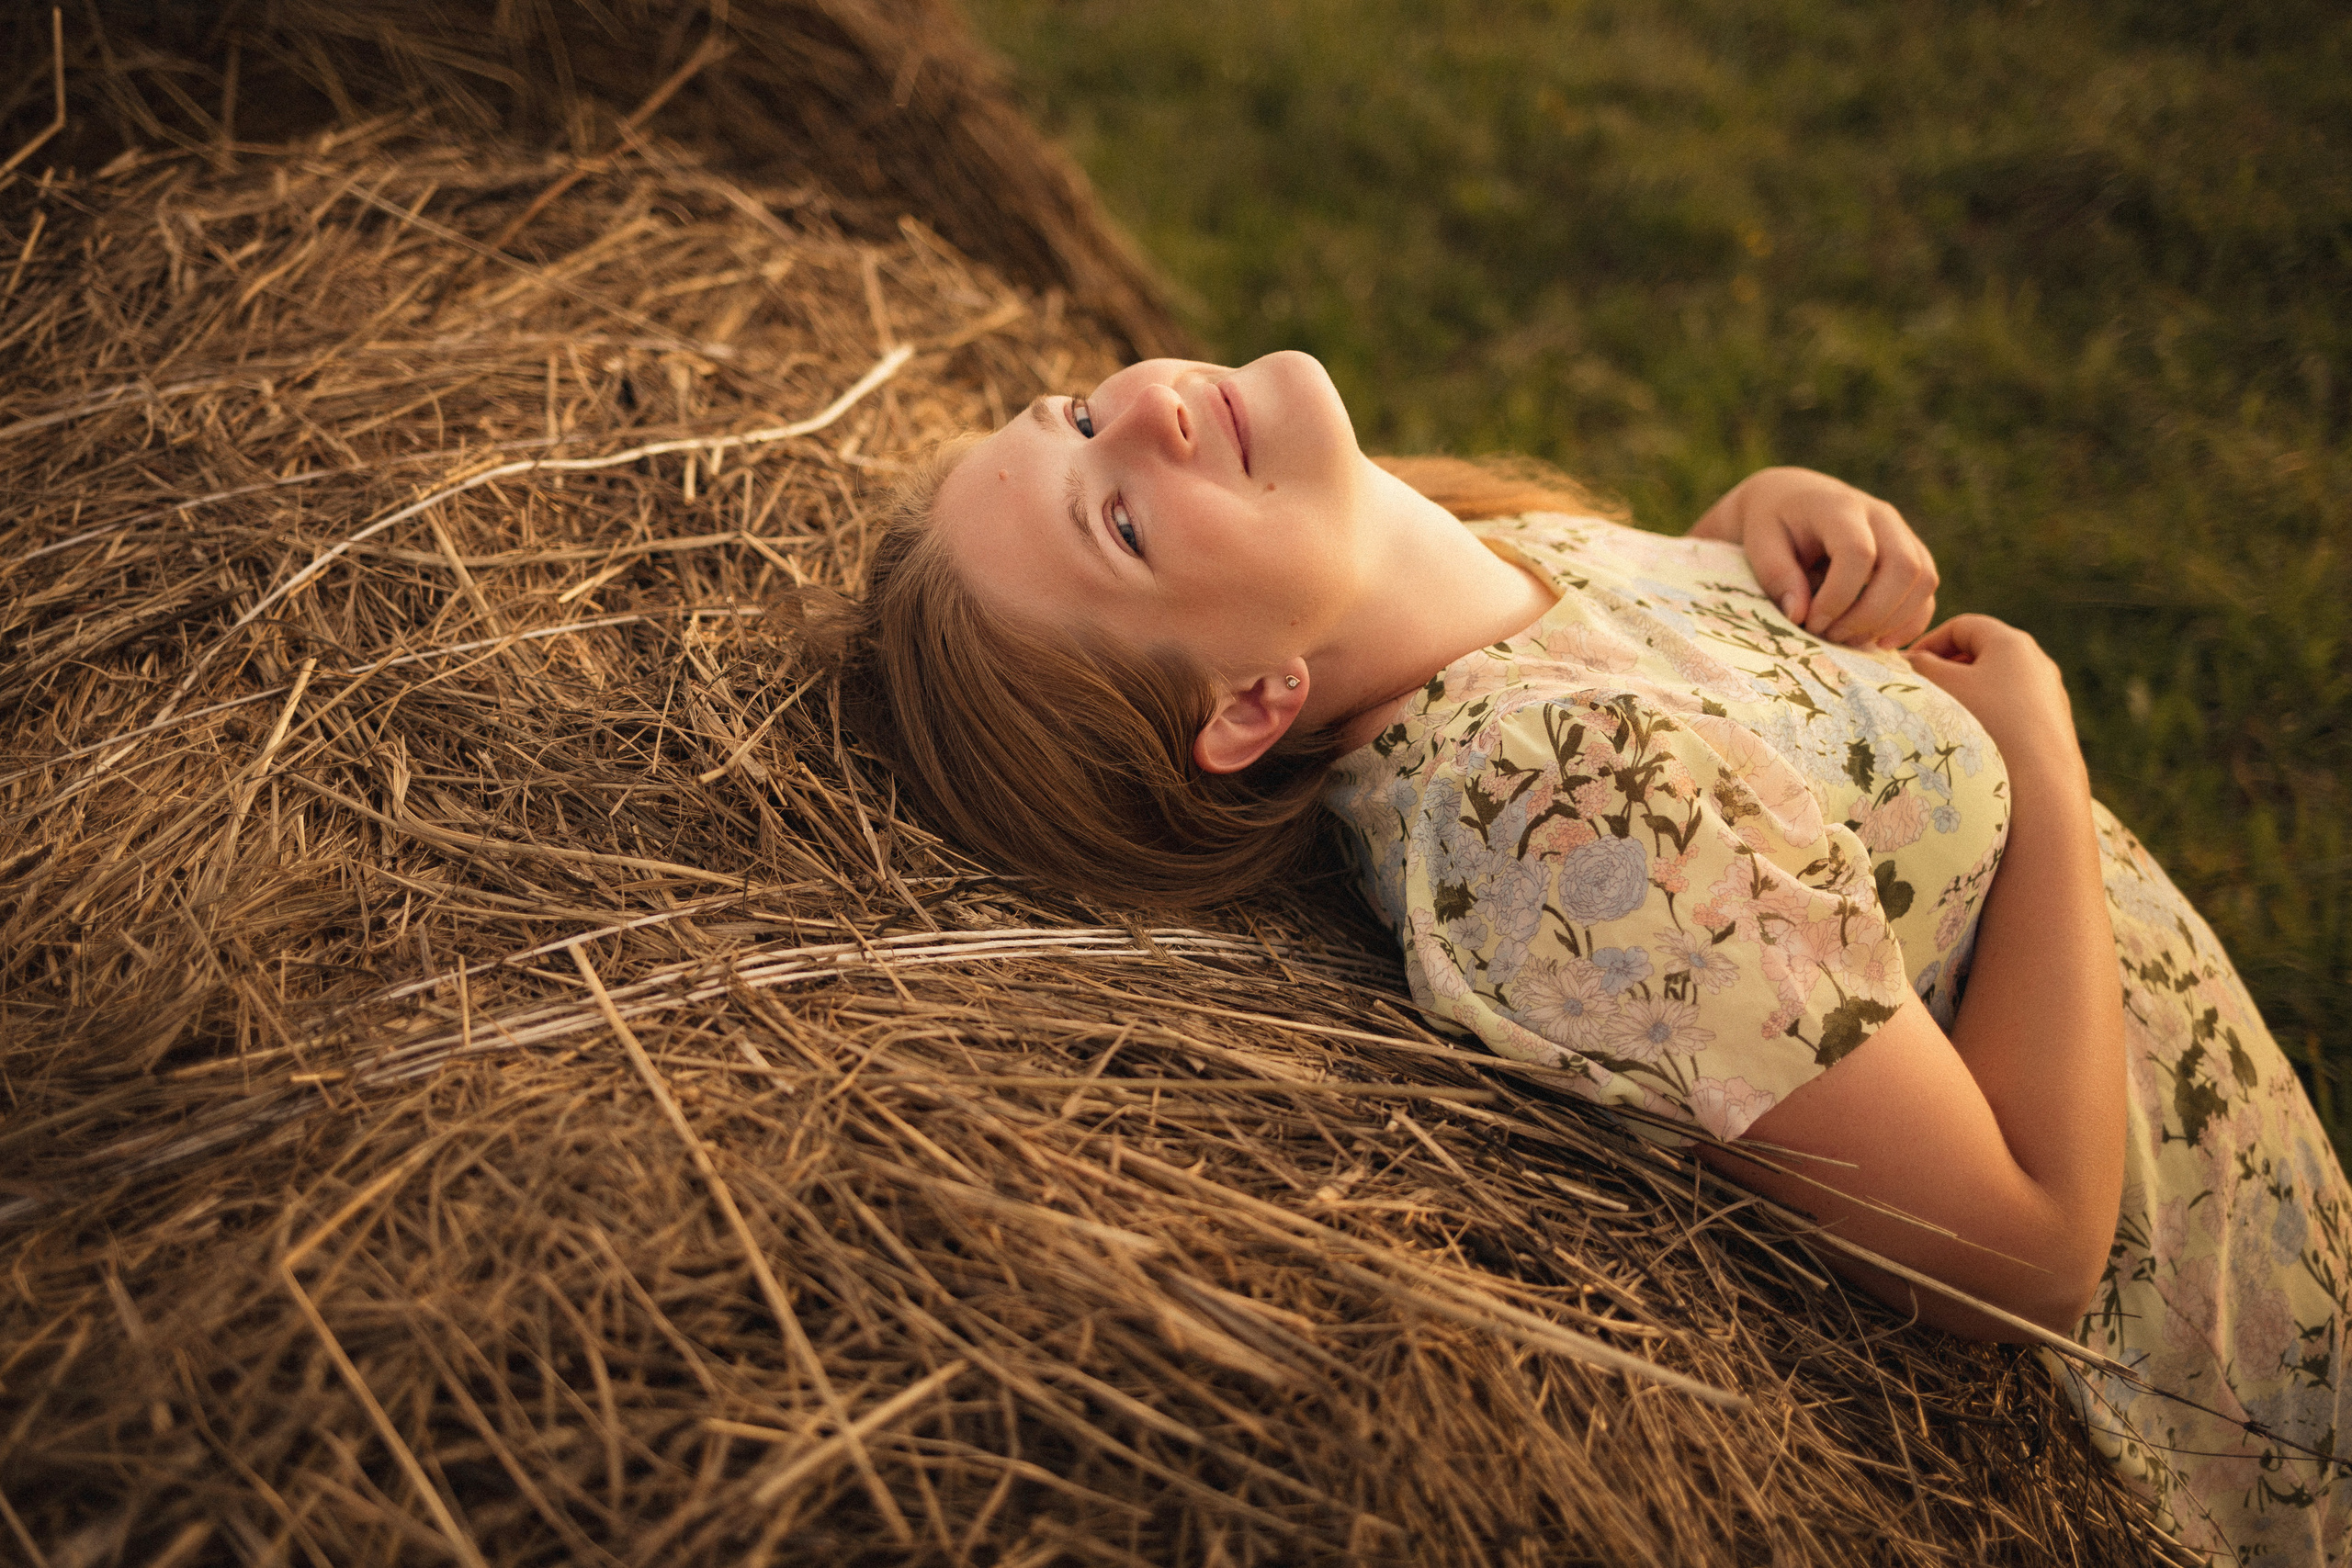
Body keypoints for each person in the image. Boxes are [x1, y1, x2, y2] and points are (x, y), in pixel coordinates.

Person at [838, 350, 2351, 1563]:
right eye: (1121, 517)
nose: (1151, 414)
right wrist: (2045, 764)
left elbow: (1723, 773)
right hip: (2204, 1357)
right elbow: (2026, 1256)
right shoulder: (1541, 802)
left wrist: (1749, 535)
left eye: (1081, 413)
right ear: (1246, 706)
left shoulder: (1481, 573)